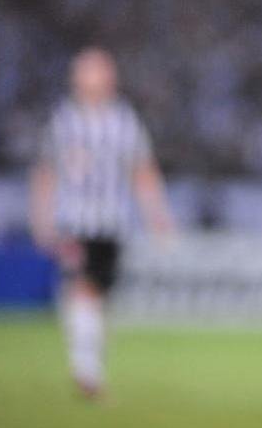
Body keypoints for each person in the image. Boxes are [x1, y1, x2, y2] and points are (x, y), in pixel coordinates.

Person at [29, 47, 174, 399]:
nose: (96, 76)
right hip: (75, 223)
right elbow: (46, 173)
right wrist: (41, 218)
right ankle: (87, 370)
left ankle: (87, 359)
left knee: (96, 295)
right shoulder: (64, 121)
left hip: (112, 224)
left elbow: (143, 172)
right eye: (88, 70)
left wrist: (158, 217)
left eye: (100, 69)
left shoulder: (124, 122)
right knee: (84, 288)